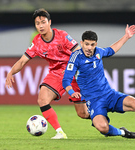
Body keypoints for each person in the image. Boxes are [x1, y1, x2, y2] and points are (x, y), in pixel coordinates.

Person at [62, 25, 135, 139]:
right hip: (94, 101)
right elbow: (66, 80)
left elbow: (111, 50)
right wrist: (72, 93)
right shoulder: (76, 57)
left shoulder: (99, 52)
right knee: (102, 127)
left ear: (95, 44)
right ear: (81, 43)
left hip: (109, 95)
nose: (89, 48)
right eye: (86, 44)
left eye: (92, 44)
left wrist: (126, 36)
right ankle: (123, 133)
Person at [5, 8, 89, 140]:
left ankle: (101, 117)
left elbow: (79, 52)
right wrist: (11, 72)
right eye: (37, 23)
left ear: (49, 22)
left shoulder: (62, 35)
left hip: (72, 70)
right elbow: (22, 61)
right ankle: (60, 133)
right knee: (42, 99)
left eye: (43, 22)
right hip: (56, 73)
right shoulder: (37, 43)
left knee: (83, 114)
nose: (40, 26)